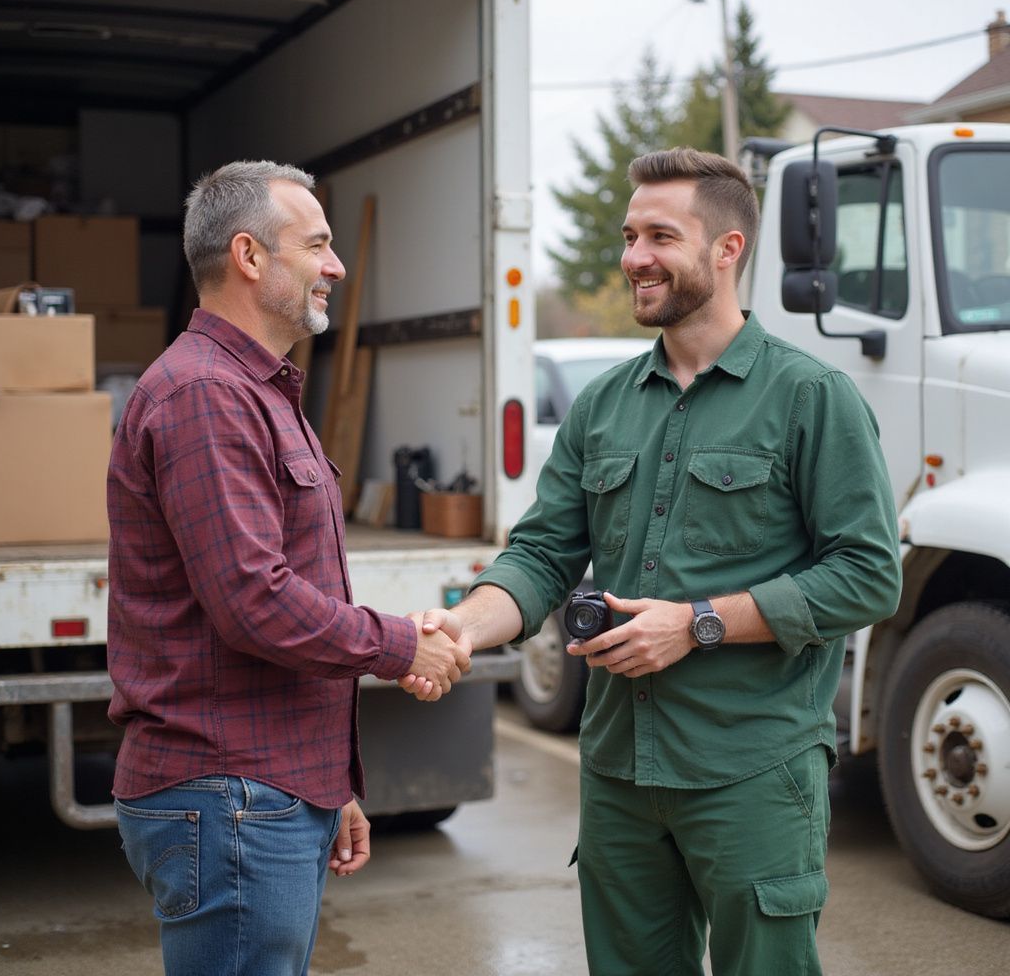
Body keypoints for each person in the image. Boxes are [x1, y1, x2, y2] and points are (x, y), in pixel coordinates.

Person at [407, 147, 902, 975]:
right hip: (617, 771)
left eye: (659, 236)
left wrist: (699, 623)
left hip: (751, 767)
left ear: (727, 249)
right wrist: (461, 626)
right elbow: (541, 554)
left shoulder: (812, 397)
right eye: (629, 235)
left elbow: (867, 572)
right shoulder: (603, 406)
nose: (634, 256)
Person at [107, 160, 468, 976]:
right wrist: (402, 644)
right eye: (317, 244)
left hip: (266, 789)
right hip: (229, 795)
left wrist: (325, 781)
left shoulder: (255, 389)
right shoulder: (205, 394)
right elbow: (253, 601)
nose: (336, 266)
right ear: (250, 256)